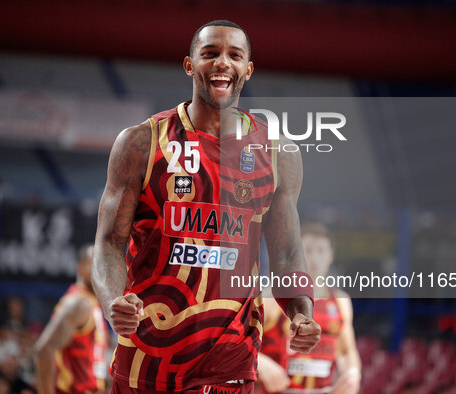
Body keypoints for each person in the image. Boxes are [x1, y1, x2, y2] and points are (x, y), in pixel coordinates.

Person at [92, 20, 321, 393]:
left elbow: (288, 252)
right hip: (147, 355)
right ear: (189, 64)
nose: (222, 63)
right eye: (210, 53)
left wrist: (301, 313)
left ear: (248, 69)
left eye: (234, 55)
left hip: (229, 355)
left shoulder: (278, 153)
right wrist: (113, 302)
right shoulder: (141, 143)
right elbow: (108, 243)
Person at [258, 223, 361, 394]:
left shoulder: (340, 301)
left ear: (330, 256)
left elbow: (346, 352)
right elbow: (238, 344)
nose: (314, 258)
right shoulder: (272, 297)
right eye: (308, 250)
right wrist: (260, 363)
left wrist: (353, 373)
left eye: (320, 251)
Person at [35, 244, 108, 394]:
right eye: (94, 261)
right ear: (80, 267)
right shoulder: (79, 303)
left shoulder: (92, 304)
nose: (100, 268)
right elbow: (43, 350)